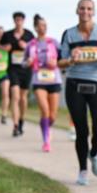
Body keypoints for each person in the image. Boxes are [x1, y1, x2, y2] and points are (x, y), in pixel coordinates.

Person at [58, 0, 97, 185]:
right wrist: (70, 60)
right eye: (82, 8)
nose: (85, 12)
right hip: (75, 85)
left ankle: (93, 154)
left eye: (89, 9)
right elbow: (60, 61)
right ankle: (83, 170)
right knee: (81, 130)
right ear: (77, 11)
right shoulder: (69, 34)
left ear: (93, 12)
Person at [24, 15, 63, 152]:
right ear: (35, 27)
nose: (43, 27)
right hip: (38, 80)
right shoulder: (30, 45)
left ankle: (47, 127)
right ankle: (46, 141)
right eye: (41, 25)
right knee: (44, 110)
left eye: (45, 25)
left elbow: (63, 59)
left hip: (54, 79)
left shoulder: (54, 42)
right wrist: (27, 62)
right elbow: (23, 62)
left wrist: (56, 62)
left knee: (52, 115)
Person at [1, 11, 35, 137]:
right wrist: (6, 48)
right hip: (13, 69)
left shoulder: (29, 34)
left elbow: (34, 49)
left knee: (23, 98)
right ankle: (15, 125)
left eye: (20, 19)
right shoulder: (7, 34)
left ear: (23, 21)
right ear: (14, 21)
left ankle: (21, 120)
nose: (18, 21)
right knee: (15, 96)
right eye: (16, 19)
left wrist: (25, 46)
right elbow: (1, 46)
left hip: (26, 69)